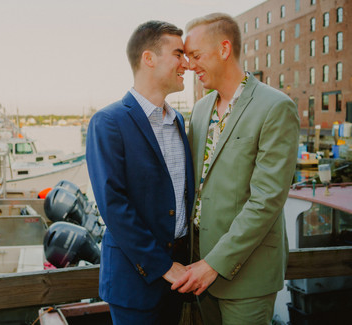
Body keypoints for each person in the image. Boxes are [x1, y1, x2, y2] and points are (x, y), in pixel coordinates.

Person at [171, 13, 300, 324]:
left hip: (248, 278)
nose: (189, 66)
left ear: (225, 49)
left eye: (196, 55)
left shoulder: (275, 107)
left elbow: (266, 201)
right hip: (199, 270)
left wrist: (213, 263)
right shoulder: (200, 110)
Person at [86, 20, 195, 325]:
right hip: (135, 282)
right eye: (178, 54)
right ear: (149, 58)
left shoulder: (179, 122)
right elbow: (114, 207)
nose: (185, 63)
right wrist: (163, 266)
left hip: (179, 278)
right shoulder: (108, 122)